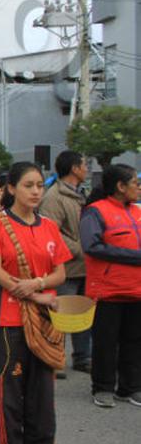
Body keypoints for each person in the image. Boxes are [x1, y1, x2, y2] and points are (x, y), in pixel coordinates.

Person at [0, 162, 71, 444]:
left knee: (42, 390)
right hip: (8, 320)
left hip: (46, 321)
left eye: (38, 186)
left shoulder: (49, 226)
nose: (34, 191)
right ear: (12, 188)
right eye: (28, 185)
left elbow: (61, 271)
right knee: (10, 389)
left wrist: (38, 285)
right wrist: (37, 294)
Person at [79, 163, 141, 409]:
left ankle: (130, 388)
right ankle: (103, 388)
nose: (138, 187)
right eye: (135, 183)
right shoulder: (95, 212)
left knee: (134, 341)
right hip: (108, 291)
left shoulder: (137, 211)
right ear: (120, 186)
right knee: (105, 342)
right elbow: (91, 246)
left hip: (137, 290)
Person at [39, 150, 91, 376]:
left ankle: (82, 356)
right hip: (66, 267)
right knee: (59, 315)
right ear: (74, 168)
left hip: (84, 267)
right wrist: (81, 249)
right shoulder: (54, 197)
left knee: (82, 312)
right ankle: (53, 357)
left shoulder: (81, 194)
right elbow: (52, 232)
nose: (87, 168)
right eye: (84, 164)